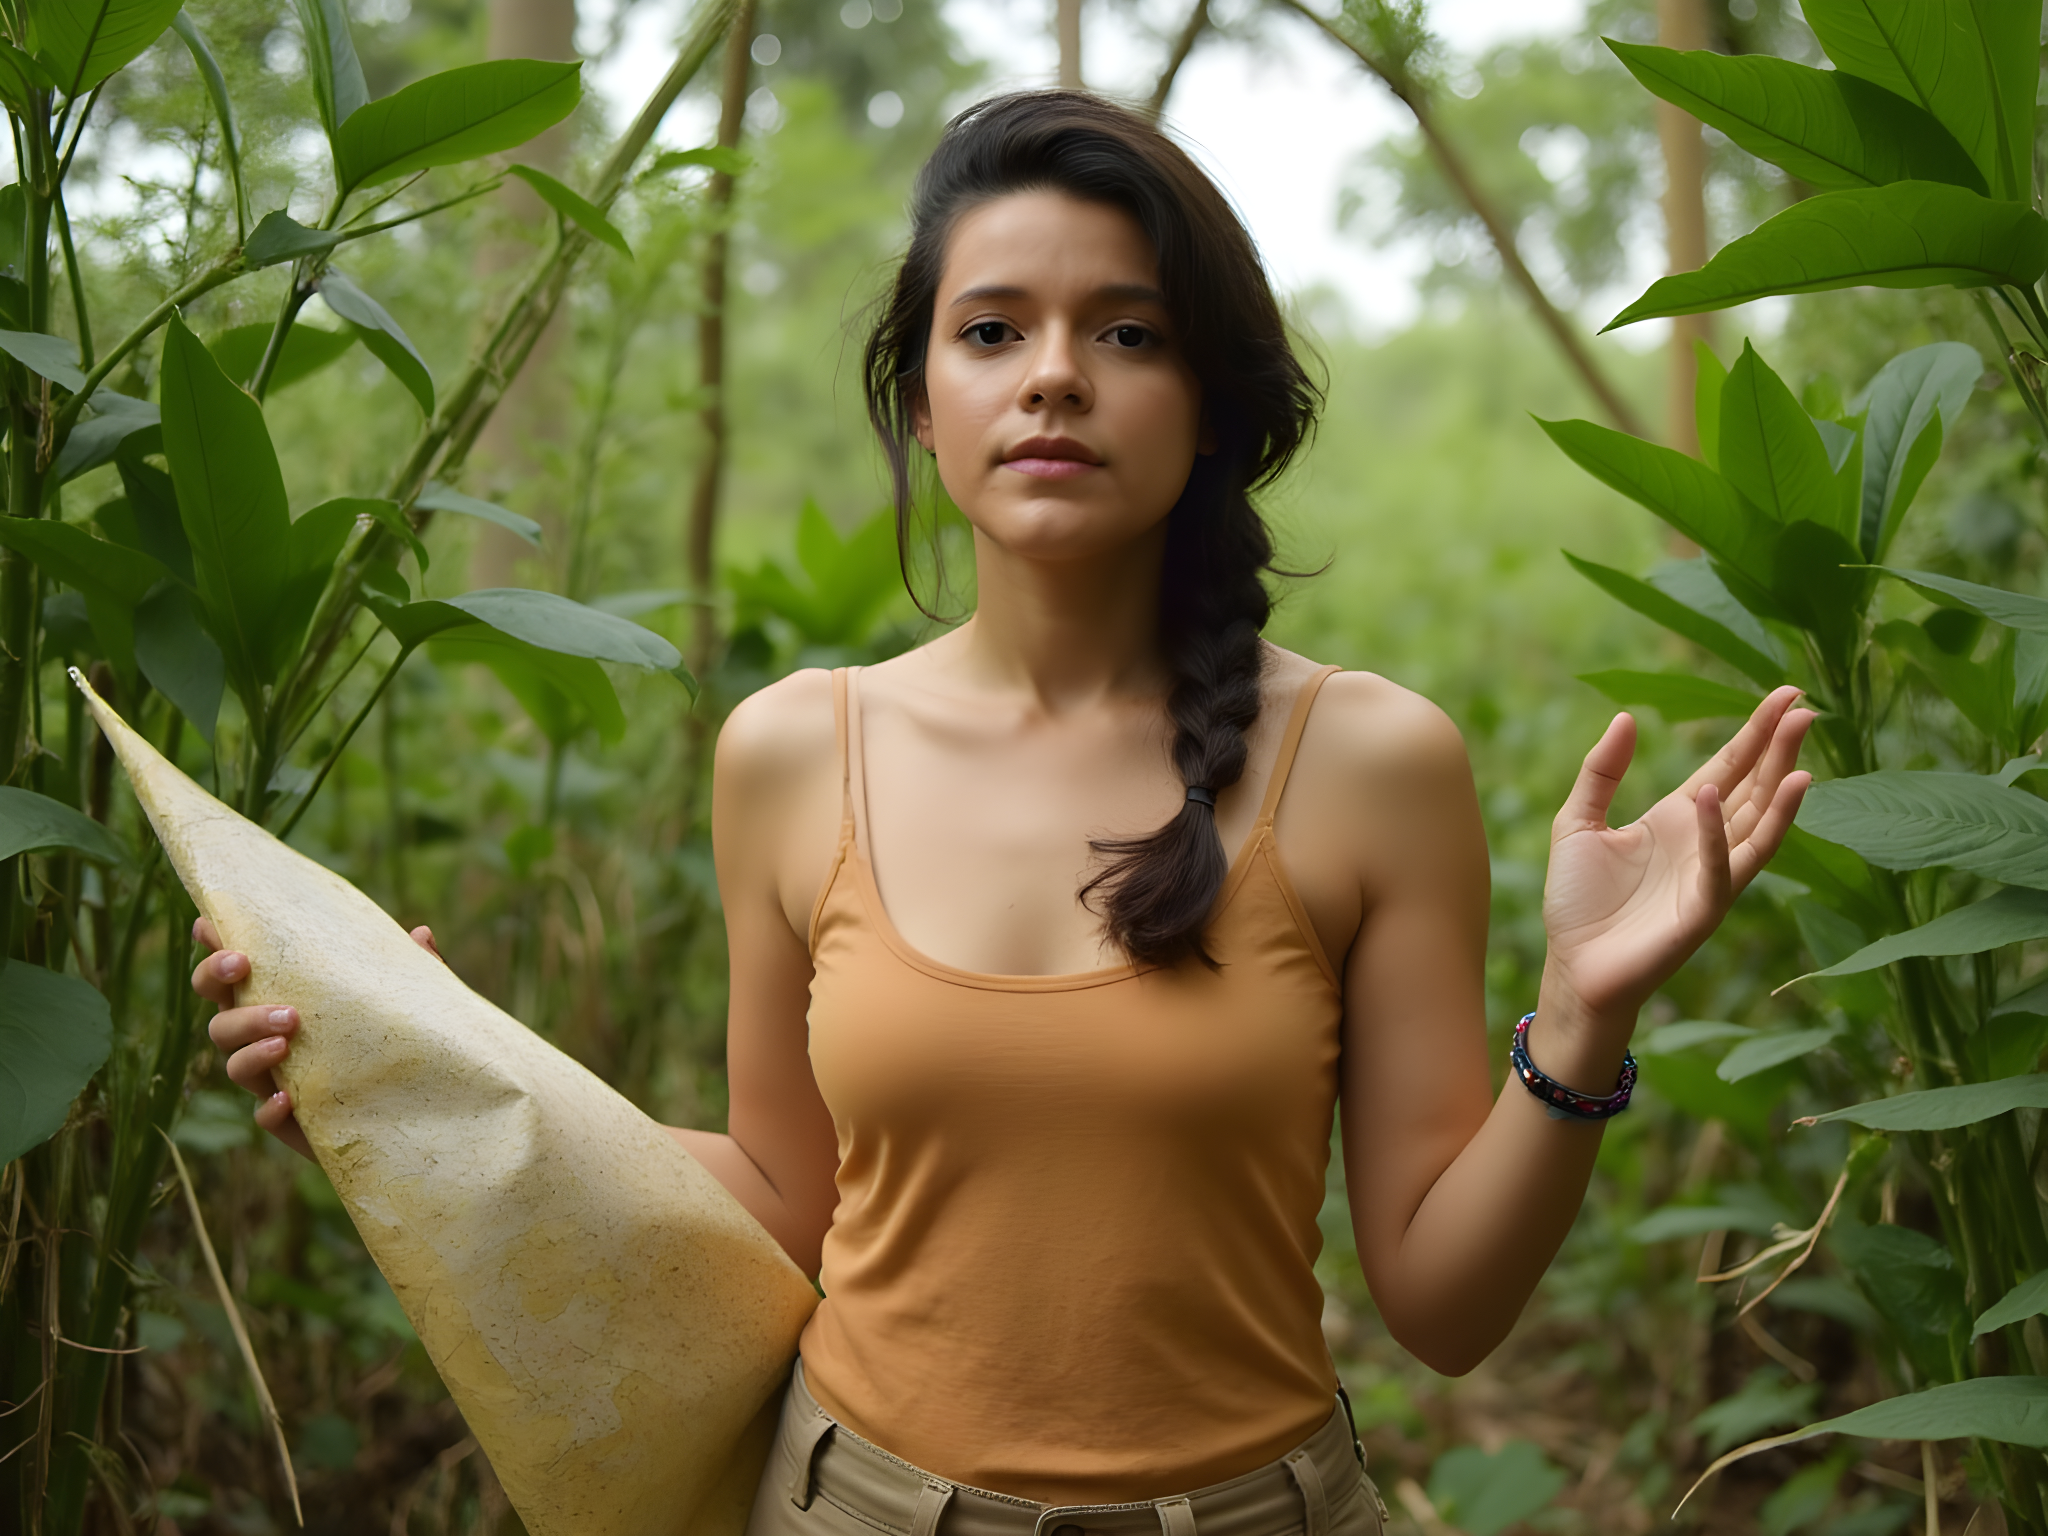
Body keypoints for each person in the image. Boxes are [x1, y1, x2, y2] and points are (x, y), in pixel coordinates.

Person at [196, 90, 1811, 1536]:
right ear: (921, 399)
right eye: (990, 331)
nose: (1053, 377)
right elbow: (786, 1202)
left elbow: (1445, 1311)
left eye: (1129, 333)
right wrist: (431, 1076)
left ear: (1211, 401)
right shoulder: (790, 752)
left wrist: (1582, 1016)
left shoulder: (1373, 763)